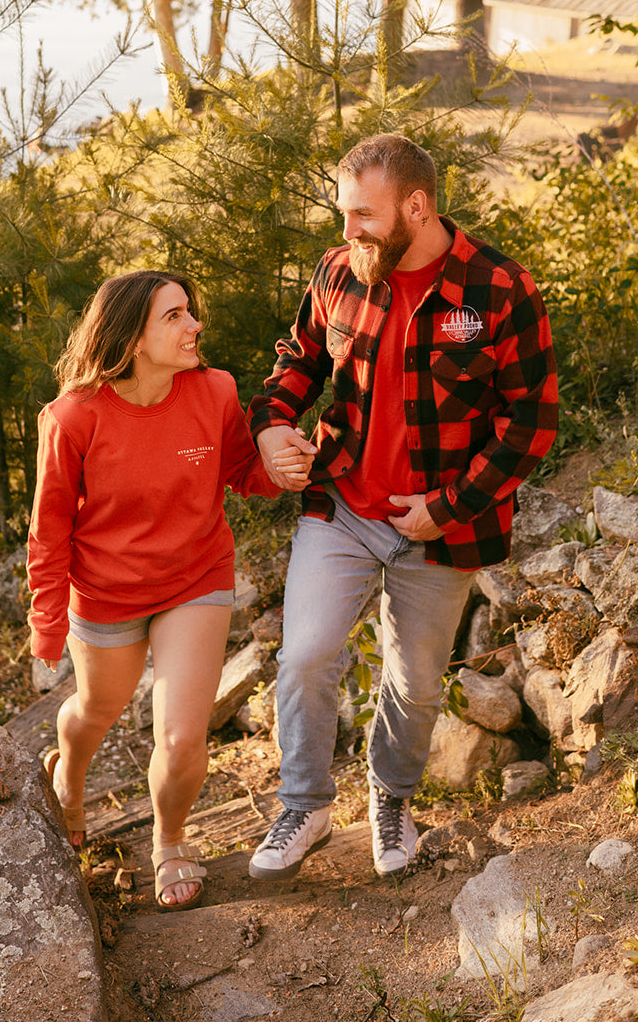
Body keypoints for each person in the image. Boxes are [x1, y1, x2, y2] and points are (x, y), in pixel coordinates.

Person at [246, 133, 558, 882]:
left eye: (361, 214)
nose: (346, 231)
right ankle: (305, 805)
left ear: (415, 207)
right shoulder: (338, 272)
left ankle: (390, 797)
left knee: (416, 682)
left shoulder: (500, 290)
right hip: (342, 501)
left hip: (440, 526)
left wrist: (448, 507)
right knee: (306, 652)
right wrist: (269, 426)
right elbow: (299, 360)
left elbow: (532, 421)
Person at [27, 269, 307, 911]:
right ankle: (68, 782)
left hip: (195, 577)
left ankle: (170, 839)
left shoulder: (213, 391)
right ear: (130, 338)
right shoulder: (73, 418)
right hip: (106, 594)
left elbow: (239, 470)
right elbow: (49, 530)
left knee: (182, 738)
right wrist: (47, 623)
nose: (194, 326)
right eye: (174, 317)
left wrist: (281, 471)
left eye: (190, 312)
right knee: (97, 710)